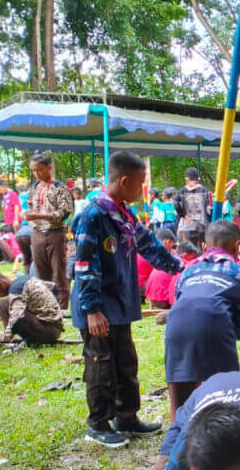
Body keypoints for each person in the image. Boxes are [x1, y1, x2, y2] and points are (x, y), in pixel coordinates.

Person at [71, 151, 183, 448]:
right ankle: (98, 423)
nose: (143, 189)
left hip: (118, 304)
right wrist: (92, 309)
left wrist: (182, 269)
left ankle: (127, 417)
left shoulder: (123, 214)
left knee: (125, 361)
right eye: (140, 183)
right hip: (96, 306)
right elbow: (84, 265)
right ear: (124, 180)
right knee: (101, 364)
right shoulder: (92, 215)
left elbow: (151, 248)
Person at [163, 220, 240, 419]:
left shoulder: (187, 272)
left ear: (204, 246)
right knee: (224, 391)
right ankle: (223, 439)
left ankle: (173, 444)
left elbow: (179, 300)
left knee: (179, 395)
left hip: (176, 324)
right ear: (237, 245)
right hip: (215, 322)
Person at [26, 152, 74, 308]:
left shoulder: (60, 188)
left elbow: (65, 212)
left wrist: (40, 215)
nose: (37, 173)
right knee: (41, 270)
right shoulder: (34, 187)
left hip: (55, 232)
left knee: (58, 271)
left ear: (49, 168)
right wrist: (26, 214)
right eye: (33, 170)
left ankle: (62, 306)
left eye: (39, 169)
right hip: (37, 232)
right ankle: (47, 305)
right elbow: (30, 206)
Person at [0, 268, 64, 345]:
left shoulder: (16, 289)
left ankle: (9, 339)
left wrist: (4, 337)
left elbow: (16, 319)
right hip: (55, 327)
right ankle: (10, 335)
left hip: (48, 332)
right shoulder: (25, 279)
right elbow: (53, 287)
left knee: (1, 305)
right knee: (3, 303)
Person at [143, 228, 179, 310]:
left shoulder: (149, 248)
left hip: (150, 296)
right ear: (166, 242)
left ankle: (151, 305)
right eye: (172, 244)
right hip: (163, 300)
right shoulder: (159, 255)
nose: (172, 248)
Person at [175, 167, 212, 235]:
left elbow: (176, 203)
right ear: (198, 179)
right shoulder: (206, 191)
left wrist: (183, 215)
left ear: (187, 179)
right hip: (202, 227)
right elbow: (210, 209)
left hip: (186, 227)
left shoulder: (182, 191)